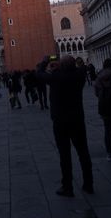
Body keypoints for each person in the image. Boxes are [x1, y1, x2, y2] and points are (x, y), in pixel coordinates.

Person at [38, 55, 93, 197]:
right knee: (83, 153)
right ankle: (88, 184)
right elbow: (81, 67)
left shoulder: (55, 78)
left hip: (60, 122)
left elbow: (40, 73)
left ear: (62, 66)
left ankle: (67, 186)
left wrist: (45, 61)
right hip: (77, 119)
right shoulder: (79, 76)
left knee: (64, 155)